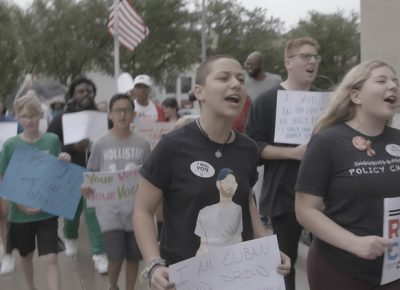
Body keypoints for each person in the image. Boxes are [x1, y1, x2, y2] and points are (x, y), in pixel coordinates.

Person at [133, 54, 291, 290]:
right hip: (184, 278)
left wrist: (268, 247)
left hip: (240, 275)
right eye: (224, 77)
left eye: (240, 79)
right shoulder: (172, 147)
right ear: (200, 92)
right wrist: (154, 265)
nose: (236, 84)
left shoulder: (248, 148)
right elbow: (143, 211)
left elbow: (247, 200)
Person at [295, 60, 400, 290]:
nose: (392, 86)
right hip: (340, 269)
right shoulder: (327, 141)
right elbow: (305, 210)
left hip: (392, 270)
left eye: (395, 82)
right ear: (356, 96)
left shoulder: (398, 139)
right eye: (382, 80)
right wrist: (354, 243)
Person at [245, 37, 321, 290]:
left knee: (325, 262)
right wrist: (293, 153)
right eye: (305, 56)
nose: (312, 61)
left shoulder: (327, 102)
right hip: (283, 196)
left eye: (315, 57)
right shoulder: (267, 101)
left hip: (326, 198)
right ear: (288, 62)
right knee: (284, 265)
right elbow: (253, 148)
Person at [0, 91, 71, 290]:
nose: (29, 120)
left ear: (41, 115)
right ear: (17, 117)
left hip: (46, 211)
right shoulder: (10, 145)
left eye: (33, 115)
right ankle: (30, 286)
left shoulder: (51, 140)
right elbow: (4, 177)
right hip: (20, 214)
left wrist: (65, 160)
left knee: (51, 258)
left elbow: (60, 173)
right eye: (24, 116)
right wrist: (20, 204)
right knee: (26, 255)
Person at [82, 93, 151, 290]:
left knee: (133, 256)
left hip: (136, 211)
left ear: (133, 114)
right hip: (109, 211)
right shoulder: (100, 143)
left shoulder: (143, 144)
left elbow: (149, 175)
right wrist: (87, 187)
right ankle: (113, 285)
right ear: (110, 115)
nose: (122, 115)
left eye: (126, 110)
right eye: (117, 111)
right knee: (115, 255)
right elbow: (91, 173)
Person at [47, 77, 108, 274]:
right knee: (71, 211)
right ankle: (70, 239)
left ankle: (98, 253)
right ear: (73, 94)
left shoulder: (102, 118)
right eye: (81, 91)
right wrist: (73, 147)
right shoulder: (61, 118)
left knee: (93, 212)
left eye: (89, 91)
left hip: (94, 171)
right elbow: (51, 145)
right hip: (69, 171)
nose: (85, 94)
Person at [195, 168, 242, 256]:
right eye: (227, 181)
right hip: (208, 262)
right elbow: (203, 243)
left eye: (233, 183)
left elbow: (238, 238)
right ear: (218, 184)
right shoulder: (204, 212)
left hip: (231, 260)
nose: (231, 185)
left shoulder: (237, 209)